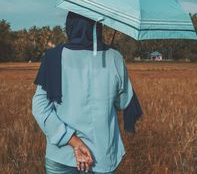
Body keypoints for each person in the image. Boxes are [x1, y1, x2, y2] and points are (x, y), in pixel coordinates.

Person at [32, 11, 143, 174]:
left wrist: (73, 141)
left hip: (62, 155)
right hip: (102, 156)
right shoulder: (114, 58)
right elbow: (123, 102)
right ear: (98, 26)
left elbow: (40, 108)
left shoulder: (54, 56)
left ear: (70, 26)